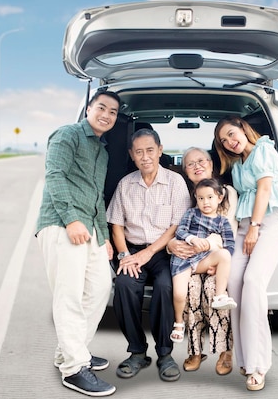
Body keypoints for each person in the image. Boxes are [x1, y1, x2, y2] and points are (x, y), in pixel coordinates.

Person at [35, 90, 121, 397]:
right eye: (102, 108)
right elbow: (55, 176)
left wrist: (105, 238)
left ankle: (70, 351)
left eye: (112, 112)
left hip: (91, 230)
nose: (106, 115)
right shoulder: (67, 134)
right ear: (89, 108)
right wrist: (71, 220)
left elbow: (97, 197)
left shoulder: (103, 150)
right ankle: (74, 369)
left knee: (99, 290)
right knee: (68, 295)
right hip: (61, 225)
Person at [214, 115, 278, 392]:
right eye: (223, 141)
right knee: (234, 283)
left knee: (254, 283)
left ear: (243, 128)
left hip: (269, 221)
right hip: (247, 225)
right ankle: (245, 358)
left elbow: (264, 189)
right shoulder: (236, 164)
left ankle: (259, 366)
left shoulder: (264, 149)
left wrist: (255, 228)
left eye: (231, 134)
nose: (230, 142)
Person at [106, 128, 190, 382]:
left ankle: (165, 354)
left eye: (150, 150)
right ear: (132, 155)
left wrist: (149, 252)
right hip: (131, 250)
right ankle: (137, 352)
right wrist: (123, 256)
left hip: (163, 250)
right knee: (124, 284)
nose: (145, 157)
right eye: (139, 152)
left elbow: (176, 225)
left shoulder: (175, 182)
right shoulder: (125, 184)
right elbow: (116, 225)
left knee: (165, 287)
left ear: (160, 150)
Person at [167, 147, 237, 375]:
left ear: (211, 163)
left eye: (201, 160)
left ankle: (225, 349)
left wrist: (212, 247)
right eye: (190, 164)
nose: (197, 166)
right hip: (188, 259)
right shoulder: (182, 194)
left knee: (213, 289)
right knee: (191, 288)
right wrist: (171, 245)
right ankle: (195, 350)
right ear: (185, 171)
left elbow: (227, 232)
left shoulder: (226, 192)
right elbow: (174, 229)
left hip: (215, 259)